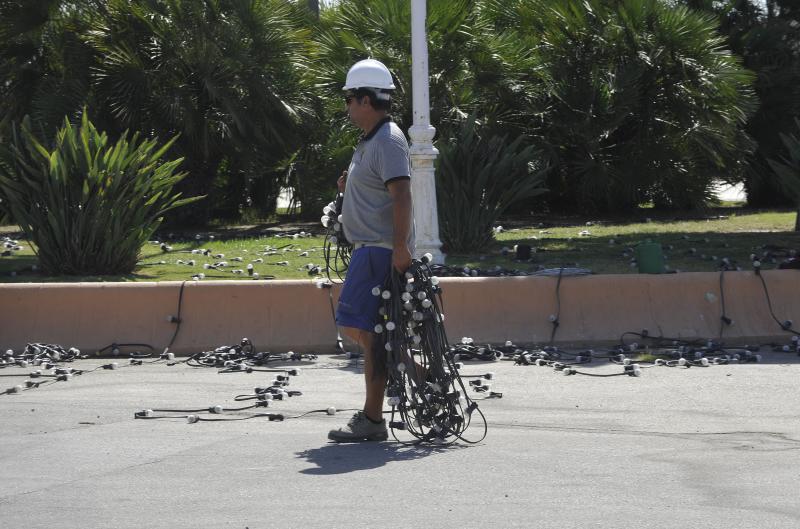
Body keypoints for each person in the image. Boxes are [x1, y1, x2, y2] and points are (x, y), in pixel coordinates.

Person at [328, 58, 414, 443]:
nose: (346, 106)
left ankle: (373, 418)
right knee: (360, 327)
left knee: (365, 329)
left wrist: (399, 247)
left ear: (365, 99)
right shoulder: (371, 140)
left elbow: (402, 195)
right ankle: (407, 368)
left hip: (378, 250)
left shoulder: (389, 139)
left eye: (349, 99)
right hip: (369, 248)